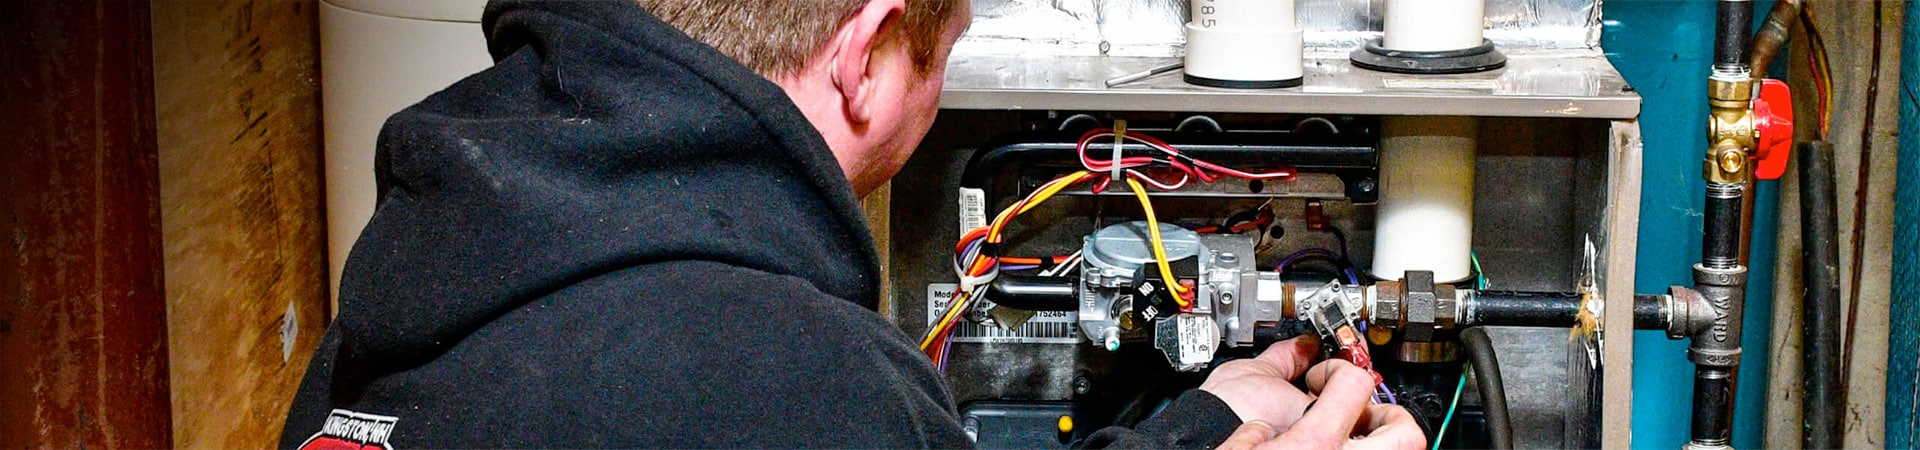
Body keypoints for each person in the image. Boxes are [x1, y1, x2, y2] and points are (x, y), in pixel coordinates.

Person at [280, 0, 1423, 448]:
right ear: (869, 56)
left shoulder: (428, 270)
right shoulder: (794, 378)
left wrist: (1208, 421)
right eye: (946, 53)